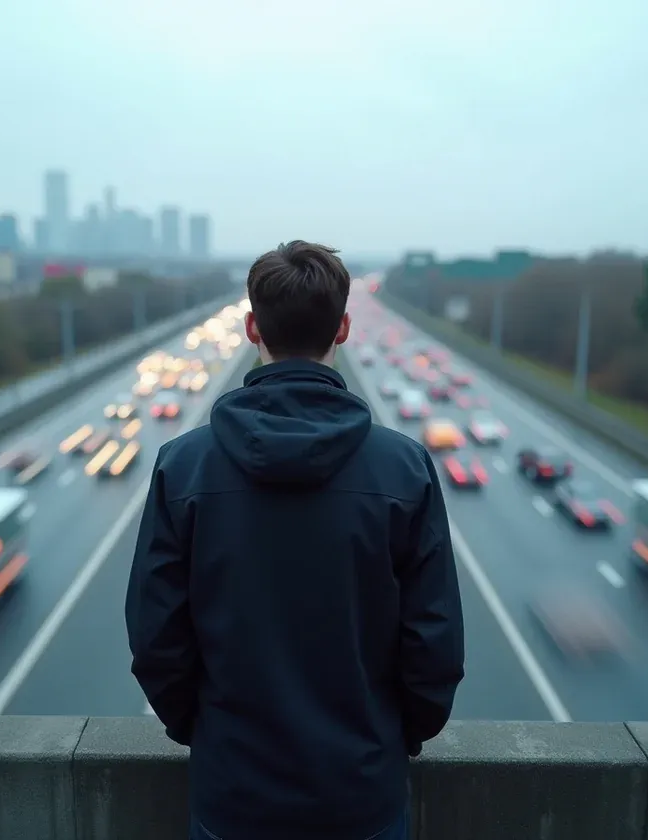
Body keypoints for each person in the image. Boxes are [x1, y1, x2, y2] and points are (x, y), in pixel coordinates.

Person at [125, 240, 465, 840]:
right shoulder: (404, 469)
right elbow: (434, 644)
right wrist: (388, 742)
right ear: (343, 329)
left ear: (253, 327)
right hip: (362, 796)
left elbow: (158, 640)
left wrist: (207, 735)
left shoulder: (183, 468)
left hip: (233, 797)